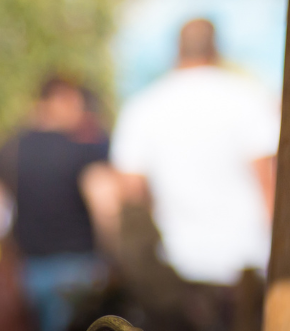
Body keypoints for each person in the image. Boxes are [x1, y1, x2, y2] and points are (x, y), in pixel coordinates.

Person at [110, 18, 280, 288]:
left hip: (174, 265)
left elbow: (131, 192)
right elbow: (269, 182)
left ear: (176, 50)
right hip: (248, 260)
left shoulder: (142, 107)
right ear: (216, 48)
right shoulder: (248, 98)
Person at [0, 75, 112, 331]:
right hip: (81, 267)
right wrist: (112, 252)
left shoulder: (8, 149)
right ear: (61, 101)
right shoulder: (83, 149)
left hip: (27, 270)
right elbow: (104, 204)